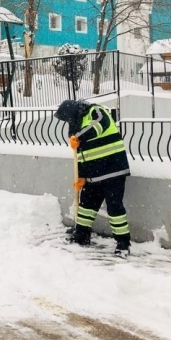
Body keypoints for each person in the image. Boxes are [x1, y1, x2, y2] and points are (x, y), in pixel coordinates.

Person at [54, 100, 131, 255]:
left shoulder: (95, 111)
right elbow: (80, 156)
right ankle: (81, 235)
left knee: (114, 208)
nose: (68, 122)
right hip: (93, 176)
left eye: (68, 118)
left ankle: (123, 243)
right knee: (86, 206)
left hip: (112, 170)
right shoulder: (76, 126)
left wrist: (80, 137)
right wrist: (81, 176)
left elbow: (99, 125)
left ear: (73, 112)